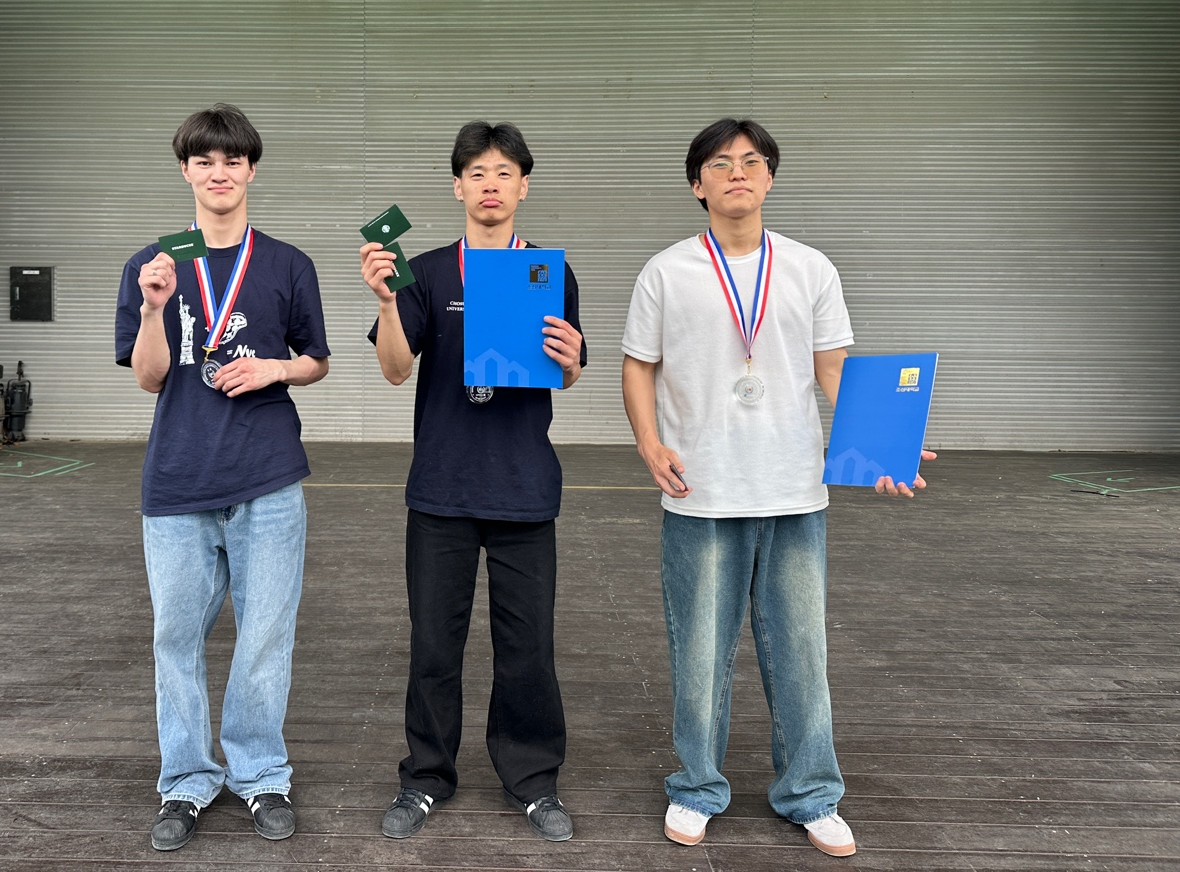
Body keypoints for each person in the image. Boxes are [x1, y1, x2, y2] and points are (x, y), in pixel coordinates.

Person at [620, 118, 934, 859]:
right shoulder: (666, 272)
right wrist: (649, 443)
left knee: (800, 650)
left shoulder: (809, 268)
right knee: (699, 652)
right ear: (696, 184)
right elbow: (638, 365)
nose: (737, 172)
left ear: (769, 179)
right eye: (720, 163)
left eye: (752, 161)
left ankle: (811, 794)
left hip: (793, 489)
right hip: (701, 490)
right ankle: (697, 787)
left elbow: (834, 368)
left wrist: (881, 447)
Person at [359, 121, 586, 843]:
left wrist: (572, 360)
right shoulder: (426, 272)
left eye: (504, 172)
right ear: (457, 187)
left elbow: (567, 373)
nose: (491, 185)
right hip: (442, 489)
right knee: (434, 646)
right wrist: (386, 301)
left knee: (529, 650)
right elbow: (395, 370)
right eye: (477, 173)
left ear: (524, 186)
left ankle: (533, 780)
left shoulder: (548, 271)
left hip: (524, 490)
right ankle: (426, 777)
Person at [115, 103, 330, 852]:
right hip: (178, 481)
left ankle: (261, 773)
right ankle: (185, 779)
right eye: (203, 161)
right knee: (176, 637)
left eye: (232, 161)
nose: (219, 173)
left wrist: (275, 368)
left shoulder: (287, 264)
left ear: (251, 170)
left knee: (265, 635)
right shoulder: (153, 265)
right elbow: (148, 378)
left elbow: (317, 360)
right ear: (185, 171)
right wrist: (153, 310)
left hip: (268, 477)